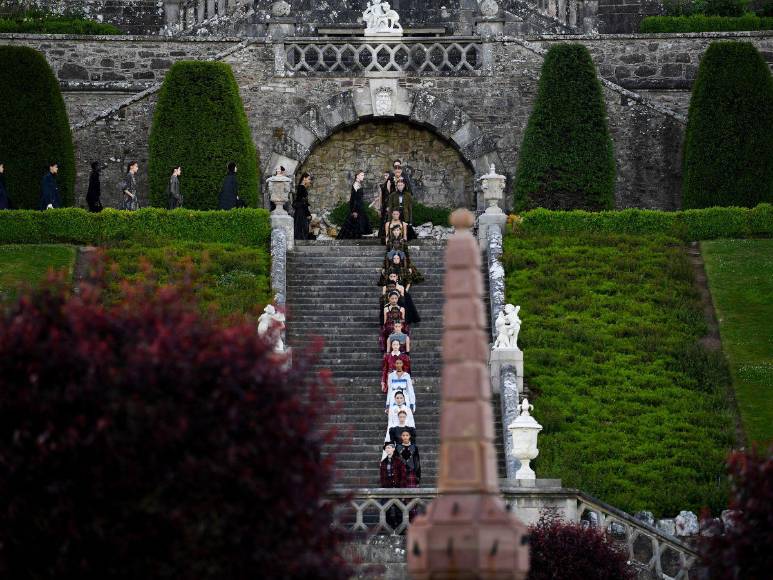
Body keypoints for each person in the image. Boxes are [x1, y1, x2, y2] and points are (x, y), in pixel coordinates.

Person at [380, 441, 407, 529]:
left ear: (393, 449)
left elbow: (403, 476)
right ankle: (388, 528)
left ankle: (401, 528)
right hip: (387, 489)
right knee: (385, 509)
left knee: (399, 509)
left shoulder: (399, 461)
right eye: (386, 448)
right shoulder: (383, 462)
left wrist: (402, 489)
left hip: (397, 488)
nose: (387, 449)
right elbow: (382, 477)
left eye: (389, 448)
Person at [337, 170, 371, 239]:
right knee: (354, 225)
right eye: (362, 175)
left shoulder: (358, 184)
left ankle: (356, 239)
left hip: (359, 208)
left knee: (358, 226)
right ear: (357, 176)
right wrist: (354, 211)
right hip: (357, 208)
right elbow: (354, 199)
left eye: (363, 175)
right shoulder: (356, 184)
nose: (363, 177)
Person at [293, 173, 312, 240]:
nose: (310, 181)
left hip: (300, 211)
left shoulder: (301, 187)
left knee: (300, 228)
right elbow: (303, 203)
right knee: (302, 228)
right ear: (304, 178)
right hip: (301, 212)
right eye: (309, 179)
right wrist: (308, 214)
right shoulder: (302, 188)